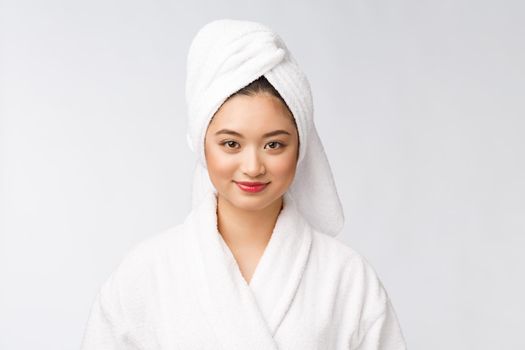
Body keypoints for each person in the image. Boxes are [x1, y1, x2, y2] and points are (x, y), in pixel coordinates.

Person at [80, 19, 407, 350]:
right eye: (231, 144)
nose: (253, 168)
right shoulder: (146, 273)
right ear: (201, 143)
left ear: (301, 147)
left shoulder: (347, 278)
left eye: (274, 144)